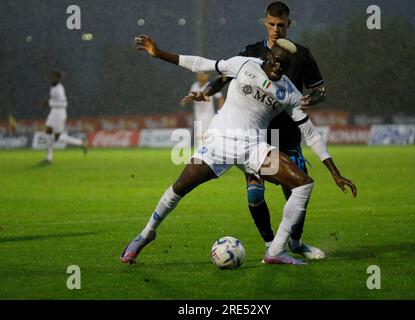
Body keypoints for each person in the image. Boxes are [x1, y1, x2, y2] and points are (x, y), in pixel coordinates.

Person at [120, 34, 356, 266]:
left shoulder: (289, 92)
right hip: (219, 142)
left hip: (253, 148)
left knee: (303, 184)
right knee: (179, 187)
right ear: (268, 56)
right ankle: (147, 232)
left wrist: (334, 172)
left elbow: (311, 133)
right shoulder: (243, 63)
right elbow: (202, 64)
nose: (279, 68)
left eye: (285, 66)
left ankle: (275, 250)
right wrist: (158, 53)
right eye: (276, 61)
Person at [183, 1, 328, 259]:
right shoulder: (251, 52)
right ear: (265, 22)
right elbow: (223, 77)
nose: (276, 29)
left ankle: (295, 242)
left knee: (295, 191)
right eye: (271, 24)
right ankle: (271, 244)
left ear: (289, 25)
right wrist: (205, 92)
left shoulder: (302, 55)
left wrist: (311, 99)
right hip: (255, 137)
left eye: (281, 25)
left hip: (287, 135)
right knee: (254, 196)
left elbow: (319, 88)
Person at [42, 70, 87, 163]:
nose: (51, 78)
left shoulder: (59, 89)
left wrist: (49, 102)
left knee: (57, 137)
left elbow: (64, 103)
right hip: (53, 112)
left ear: (58, 78)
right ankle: (48, 158)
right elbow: (54, 100)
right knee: (48, 130)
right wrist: (49, 102)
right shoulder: (53, 87)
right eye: (51, 76)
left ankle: (81, 143)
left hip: (60, 113)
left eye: (54, 76)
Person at [181, 73, 224, 146]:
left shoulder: (210, 85)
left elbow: (220, 97)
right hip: (198, 115)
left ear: (207, 76)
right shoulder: (194, 86)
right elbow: (191, 97)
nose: (201, 75)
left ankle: (208, 151)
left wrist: (221, 110)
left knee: (208, 134)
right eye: (199, 74)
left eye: (203, 74)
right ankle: (201, 153)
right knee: (199, 135)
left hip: (209, 115)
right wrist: (185, 101)